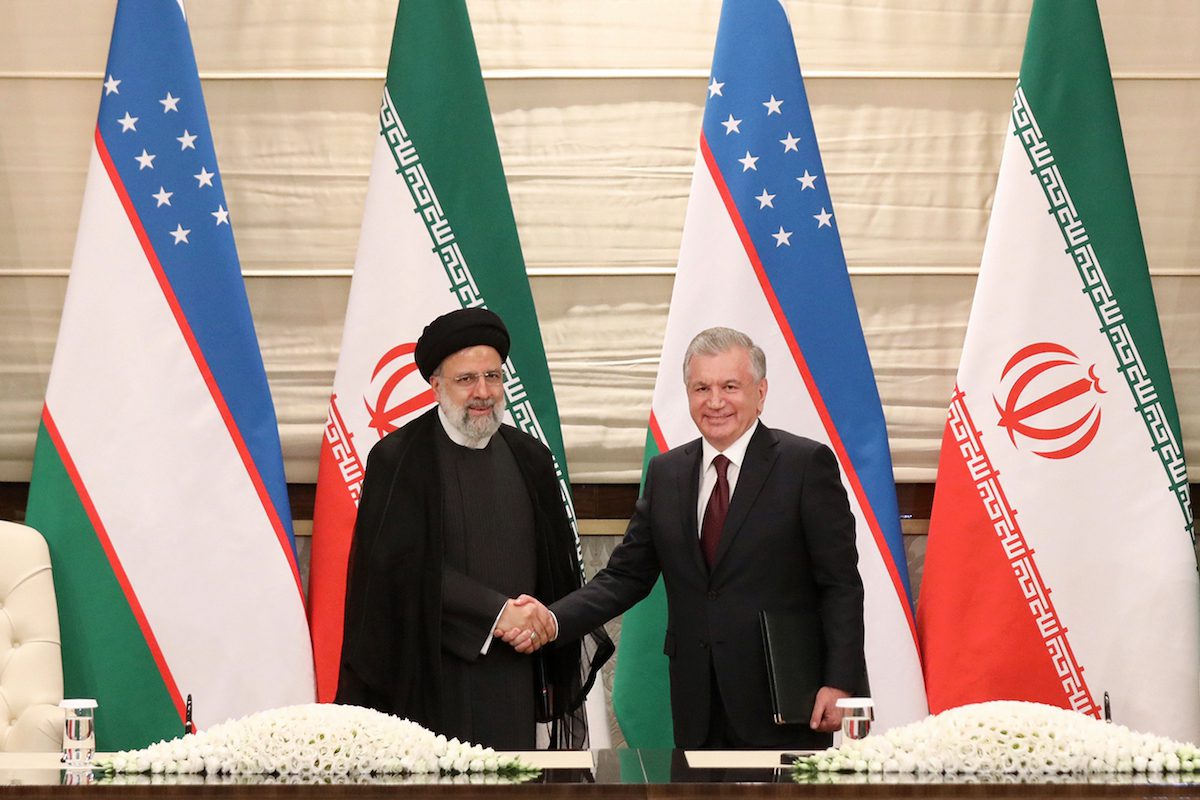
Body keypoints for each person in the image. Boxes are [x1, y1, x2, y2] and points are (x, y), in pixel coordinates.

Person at [503, 326, 866, 749]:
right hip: (696, 699)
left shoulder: (806, 465)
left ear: (761, 391)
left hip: (784, 695)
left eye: (730, 386)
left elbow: (840, 584)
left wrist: (840, 682)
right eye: (701, 388)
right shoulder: (667, 474)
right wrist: (551, 618)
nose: (715, 402)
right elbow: (624, 577)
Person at [335, 307, 612, 750]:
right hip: (427, 677)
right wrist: (497, 613)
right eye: (466, 379)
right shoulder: (398, 459)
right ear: (436, 385)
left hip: (514, 676)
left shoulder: (531, 459)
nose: (483, 392)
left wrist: (538, 621)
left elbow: (558, 569)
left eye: (493, 377)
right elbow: (398, 573)